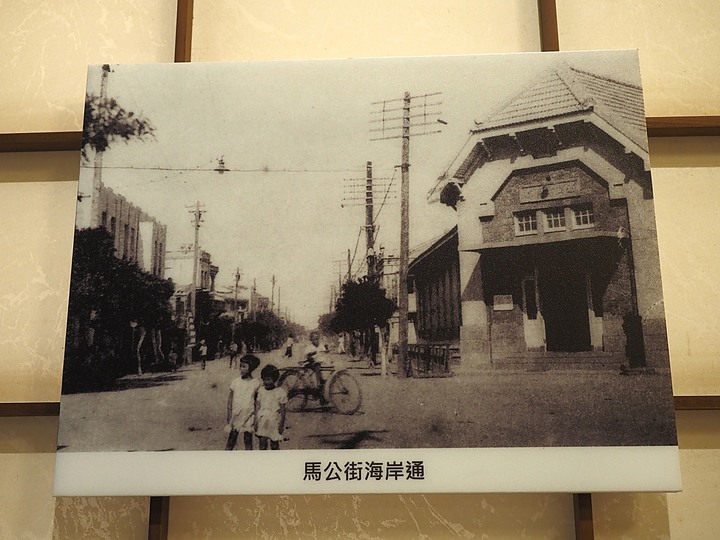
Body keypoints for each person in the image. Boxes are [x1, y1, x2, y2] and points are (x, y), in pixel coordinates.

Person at [225, 355, 261, 450]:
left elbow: (257, 402)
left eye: (244, 366)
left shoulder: (256, 383)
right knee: (232, 437)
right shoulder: (236, 382)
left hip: (249, 414)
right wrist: (229, 413)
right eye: (240, 366)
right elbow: (230, 399)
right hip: (236, 413)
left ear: (251, 368)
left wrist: (256, 417)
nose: (241, 368)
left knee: (248, 438)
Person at [254, 364, 287, 450]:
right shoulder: (261, 390)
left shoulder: (280, 392)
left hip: (274, 421)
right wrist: (256, 421)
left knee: (274, 443)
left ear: (274, 379)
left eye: (268, 379)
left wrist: (281, 424)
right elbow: (257, 407)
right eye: (264, 379)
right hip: (262, 420)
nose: (266, 382)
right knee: (262, 442)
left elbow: (283, 411)